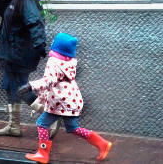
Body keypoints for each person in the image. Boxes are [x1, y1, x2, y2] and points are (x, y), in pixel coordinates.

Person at [20, 33, 112, 163]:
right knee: (73, 128)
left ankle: (43, 153)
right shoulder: (69, 62)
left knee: (42, 124)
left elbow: (49, 80)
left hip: (60, 102)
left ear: (56, 46)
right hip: (71, 100)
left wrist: (30, 86)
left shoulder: (54, 62)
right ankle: (102, 143)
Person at [0, 0, 47, 137]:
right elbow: (5, 11)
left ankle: (49, 117)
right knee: (10, 86)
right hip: (11, 51)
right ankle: (14, 125)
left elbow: (35, 21)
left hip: (20, 52)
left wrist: (40, 43)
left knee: (20, 88)